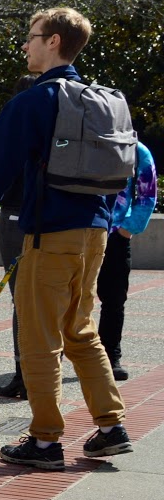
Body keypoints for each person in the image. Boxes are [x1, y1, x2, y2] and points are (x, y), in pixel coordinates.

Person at [0, 7, 130, 469]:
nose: (25, 45)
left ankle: (44, 440)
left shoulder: (37, 100)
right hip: (95, 232)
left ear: (53, 41)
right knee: (80, 329)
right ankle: (111, 426)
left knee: (39, 337)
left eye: (31, 37)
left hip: (49, 233)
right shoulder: (99, 100)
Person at [0, 73, 42, 400]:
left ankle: (24, 373)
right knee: (44, 300)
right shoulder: (54, 129)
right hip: (51, 218)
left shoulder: (14, 130)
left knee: (21, 299)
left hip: (15, 215)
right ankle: (41, 369)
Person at [96, 140, 156, 381]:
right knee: (67, 297)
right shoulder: (82, 138)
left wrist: (129, 228)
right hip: (77, 230)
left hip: (115, 235)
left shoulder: (136, 149)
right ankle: (56, 357)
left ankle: (110, 356)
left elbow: (147, 192)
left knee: (114, 299)